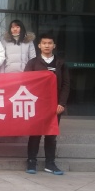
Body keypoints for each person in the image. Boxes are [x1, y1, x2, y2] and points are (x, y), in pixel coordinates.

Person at [25, 33, 70, 175]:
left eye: (50, 43)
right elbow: (26, 82)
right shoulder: (33, 63)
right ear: (39, 45)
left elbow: (66, 85)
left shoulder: (60, 64)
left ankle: (50, 163)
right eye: (44, 43)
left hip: (55, 106)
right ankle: (31, 161)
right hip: (37, 104)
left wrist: (61, 103)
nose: (47, 45)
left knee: (51, 134)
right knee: (35, 133)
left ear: (54, 46)